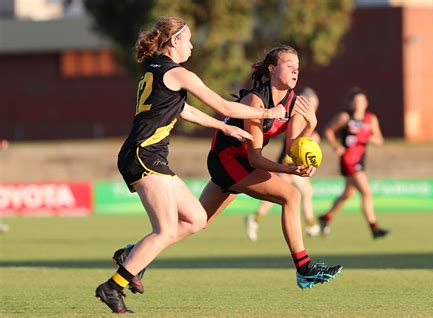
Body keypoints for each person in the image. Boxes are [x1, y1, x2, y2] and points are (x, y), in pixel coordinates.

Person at [94, 16, 290, 314]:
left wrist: (224, 128)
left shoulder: (155, 68)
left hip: (148, 155)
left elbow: (183, 110)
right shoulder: (179, 73)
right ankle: (113, 285)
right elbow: (224, 106)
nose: (191, 46)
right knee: (165, 230)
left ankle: (131, 254)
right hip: (144, 155)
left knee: (197, 218)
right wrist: (271, 112)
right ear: (173, 42)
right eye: (187, 40)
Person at [198, 45, 343, 291]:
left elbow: (293, 149)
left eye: (298, 68)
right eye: (289, 66)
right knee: (291, 195)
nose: (296, 71)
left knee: (196, 221)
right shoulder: (255, 100)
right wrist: (289, 172)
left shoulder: (294, 102)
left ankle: (133, 254)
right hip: (226, 159)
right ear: (272, 69)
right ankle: (304, 269)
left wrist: (311, 125)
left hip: (241, 163)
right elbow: (255, 158)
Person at [245, 87, 321, 241]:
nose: (313, 108)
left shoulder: (303, 119)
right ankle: (255, 218)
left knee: (302, 193)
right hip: (287, 162)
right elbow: (294, 148)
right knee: (288, 195)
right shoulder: (299, 117)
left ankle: (311, 224)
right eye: (311, 105)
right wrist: (311, 128)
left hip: (294, 164)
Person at [318, 87, 389, 239]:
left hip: (361, 159)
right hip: (348, 160)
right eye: (355, 101)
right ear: (350, 103)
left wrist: (368, 137)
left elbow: (379, 140)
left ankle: (326, 218)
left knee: (347, 194)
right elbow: (328, 130)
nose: (358, 104)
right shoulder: (345, 117)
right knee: (366, 192)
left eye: (361, 101)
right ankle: (374, 227)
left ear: (366, 103)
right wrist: (336, 146)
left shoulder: (371, 119)